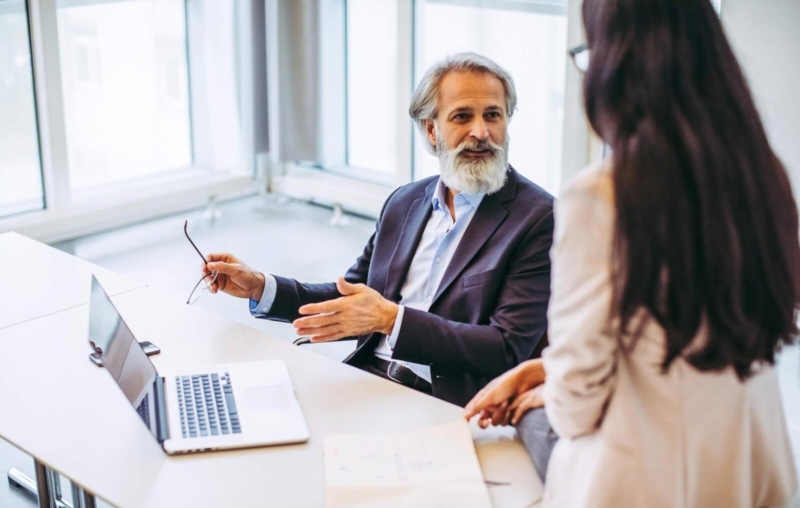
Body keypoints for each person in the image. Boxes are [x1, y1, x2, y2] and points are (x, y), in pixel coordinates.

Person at [464, 0, 800, 506]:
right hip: (748, 458)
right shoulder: (761, 173)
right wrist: (545, 370)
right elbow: (681, 341)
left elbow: (578, 407)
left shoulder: (603, 195)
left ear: (614, 64)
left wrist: (554, 390)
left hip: (649, 476)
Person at [203, 53, 555, 407]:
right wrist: (261, 287)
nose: (481, 132)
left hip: (444, 403)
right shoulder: (405, 202)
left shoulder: (539, 217)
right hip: (365, 379)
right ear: (432, 130)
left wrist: (392, 320)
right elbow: (352, 298)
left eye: (493, 115)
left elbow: (506, 348)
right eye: (462, 116)